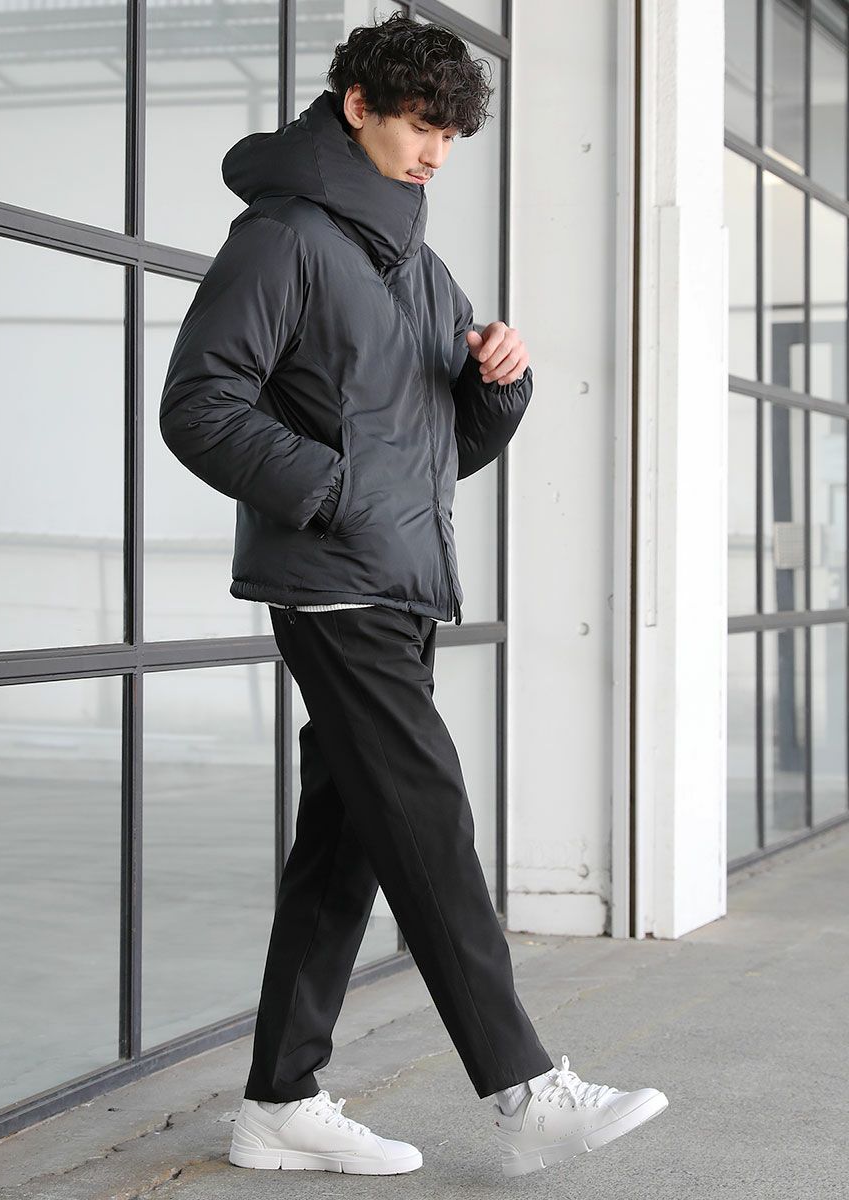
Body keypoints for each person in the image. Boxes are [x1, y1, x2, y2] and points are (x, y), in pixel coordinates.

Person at [159, 11, 668, 1180]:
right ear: (358, 107)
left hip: (397, 579)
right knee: (429, 819)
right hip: (333, 582)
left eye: (451, 133)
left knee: (346, 842)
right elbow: (198, 404)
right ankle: (524, 1091)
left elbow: (435, 451)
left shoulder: (419, 268)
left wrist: (495, 389)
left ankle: (279, 1101)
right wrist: (332, 492)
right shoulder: (283, 238)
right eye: (420, 124)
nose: (437, 151)